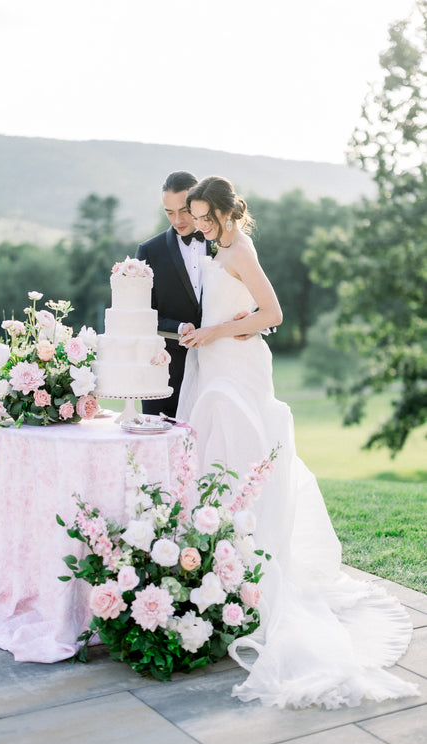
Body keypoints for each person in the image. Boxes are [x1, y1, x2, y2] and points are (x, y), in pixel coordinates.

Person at [177, 176, 418, 709]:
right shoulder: (222, 248)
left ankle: (250, 566)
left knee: (241, 465)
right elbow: (241, 313)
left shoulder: (240, 249)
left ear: (225, 212)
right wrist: (212, 329)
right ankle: (224, 563)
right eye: (193, 216)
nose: (198, 224)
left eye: (204, 216)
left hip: (237, 371)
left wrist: (214, 331)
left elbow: (274, 314)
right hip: (217, 363)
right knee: (219, 463)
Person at [135, 171, 207, 417]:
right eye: (169, 212)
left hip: (219, 370)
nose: (177, 219)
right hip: (168, 376)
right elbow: (143, 316)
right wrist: (178, 328)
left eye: (184, 210)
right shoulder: (149, 252)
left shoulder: (226, 245)